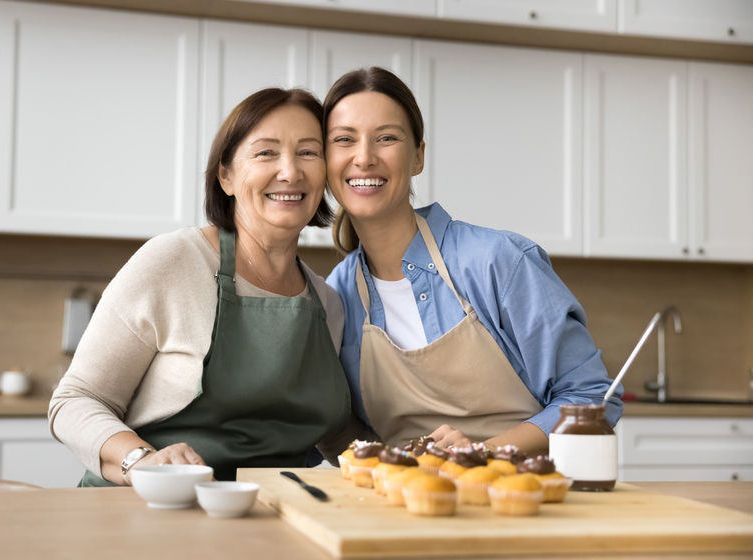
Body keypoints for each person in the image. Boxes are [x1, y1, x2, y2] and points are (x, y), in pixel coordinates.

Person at [49, 87, 365, 486]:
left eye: (308, 152)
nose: (290, 171)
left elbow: (333, 437)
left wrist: (418, 455)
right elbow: (74, 400)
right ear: (226, 176)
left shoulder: (328, 302)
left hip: (268, 522)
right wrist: (140, 461)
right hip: (153, 513)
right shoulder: (175, 261)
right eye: (266, 152)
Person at [323, 67, 623, 456]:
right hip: (409, 506)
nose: (363, 158)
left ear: (418, 157)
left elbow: (594, 398)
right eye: (344, 140)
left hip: (524, 497)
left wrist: (483, 454)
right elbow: (348, 431)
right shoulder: (337, 295)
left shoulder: (496, 261)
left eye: (386, 138)